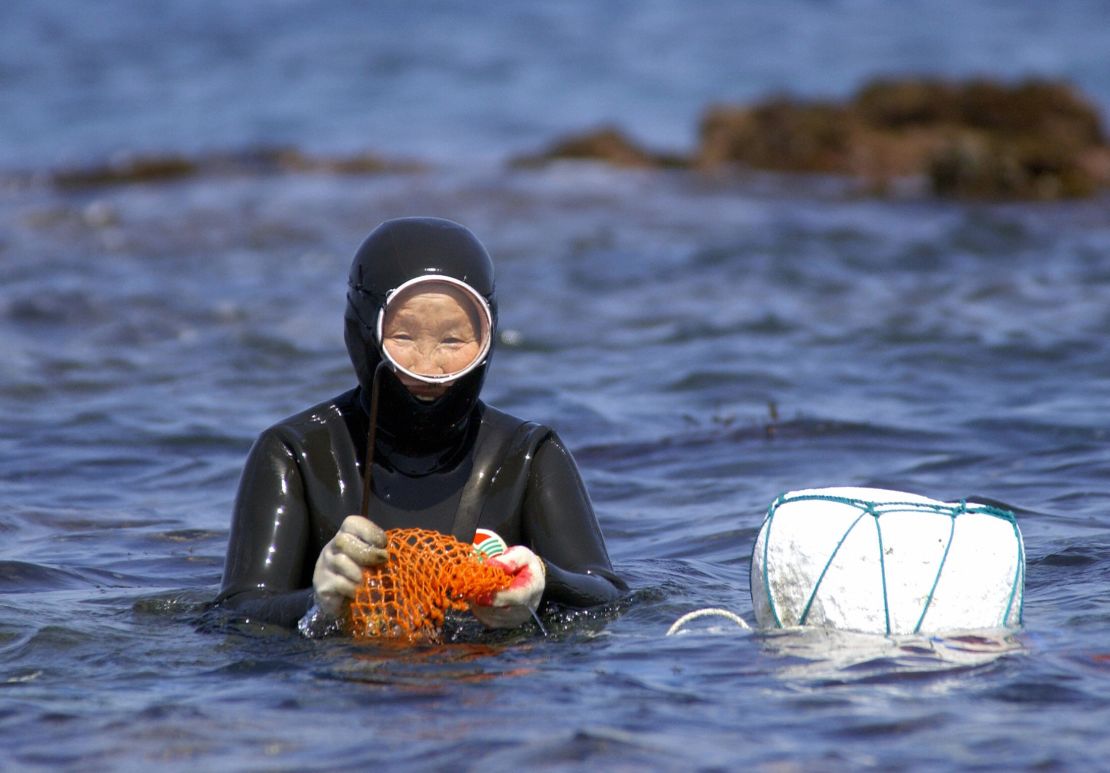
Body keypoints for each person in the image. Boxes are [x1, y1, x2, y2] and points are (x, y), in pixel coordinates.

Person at [216, 216, 627, 633]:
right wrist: (318, 600)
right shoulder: (295, 455)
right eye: (404, 338)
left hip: (487, 687)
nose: (429, 367)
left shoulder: (526, 456)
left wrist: (542, 580)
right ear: (362, 333)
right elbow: (236, 616)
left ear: (487, 340)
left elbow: (610, 597)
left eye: (452, 341)